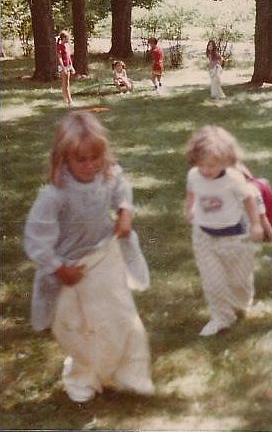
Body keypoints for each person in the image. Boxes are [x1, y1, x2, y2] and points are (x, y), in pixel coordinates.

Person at [23, 111, 154, 403]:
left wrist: (124, 212)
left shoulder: (105, 175)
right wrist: (58, 269)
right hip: (70, 267)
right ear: (63, 158)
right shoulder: (55, 195)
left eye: (96, 157)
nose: (90, 165)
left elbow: (121, 187)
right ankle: (82, 375)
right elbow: (36, 239)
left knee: (120, 316)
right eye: (80, 159)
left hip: (104, 256)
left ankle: (128, 373)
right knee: (76, 328)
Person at [185, 126, 264, 336]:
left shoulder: (234, 179)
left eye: (211, 165)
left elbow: (249, 199)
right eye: (201, 164)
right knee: (213, 282)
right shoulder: (194, 175)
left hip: (236, 237)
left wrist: (256, 224)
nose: (206, 170)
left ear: (226, 160)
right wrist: (189, 208)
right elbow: (191, 192)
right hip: (205, 236)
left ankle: (242, 301)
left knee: (239, 281)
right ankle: (221, 317)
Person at [57, 30, 76, 106]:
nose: (68, 39)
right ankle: (70, 101)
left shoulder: (67, 46)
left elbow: (69, 57)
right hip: (63, 66)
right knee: (66, 84)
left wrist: (71, 67)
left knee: (66, 83)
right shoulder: (59, 46)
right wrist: (63, 67)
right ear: (63, 38)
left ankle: (66, 100)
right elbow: (59, 58)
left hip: (68, 66)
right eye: (67, 38)